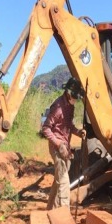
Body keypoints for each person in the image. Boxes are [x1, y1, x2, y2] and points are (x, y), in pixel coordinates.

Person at [41, 77, 86, 210]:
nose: (75, 99)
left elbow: (68, 126)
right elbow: (46, 128)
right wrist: (58, 144)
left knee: (58, 180)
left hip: (65, 147)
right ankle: (64, 213)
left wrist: (78, 132)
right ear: (67, 93)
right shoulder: (58, 107)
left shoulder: (70, 107)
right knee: (64, 181)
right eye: (74, 96)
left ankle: (50, 210)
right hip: (56, 148)